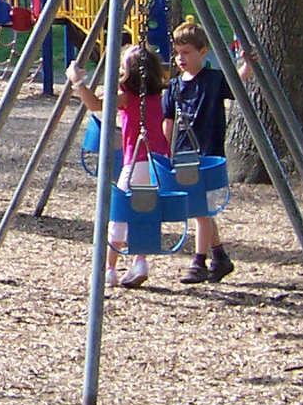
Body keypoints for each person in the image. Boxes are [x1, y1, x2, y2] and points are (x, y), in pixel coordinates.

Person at [67, 43, 171, 288]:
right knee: (145, 213)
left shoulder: (127, 97)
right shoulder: (158, 96)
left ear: (129, 73)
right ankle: (140, 262)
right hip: (159, 165)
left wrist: (77, 82)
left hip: (135, 164)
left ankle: (110, 269)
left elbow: (94, 105)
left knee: (120, 214)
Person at [164, 20, 252, 285]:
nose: (181, 58)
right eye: (178, 53)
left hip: (208, 154)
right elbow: (167, 120)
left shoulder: (212, 80)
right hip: (184, 155)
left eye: (187, 52)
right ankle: (220, 256)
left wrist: (248, 64)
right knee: (201, 209)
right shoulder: (175, 86)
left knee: (201, 211)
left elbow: (236, 82)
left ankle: (199, 261)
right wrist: (167, 153)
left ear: (203, 52)